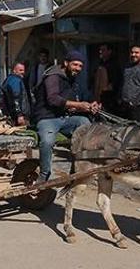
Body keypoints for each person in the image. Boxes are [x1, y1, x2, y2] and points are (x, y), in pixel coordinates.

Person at [32, 51, 99, 182]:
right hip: (46, 118)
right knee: (47, 142)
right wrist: (79, 105)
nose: (78, 68)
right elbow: (53, 99)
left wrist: (91, 104)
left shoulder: (72, 78)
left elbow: (77, 98)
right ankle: (44, 174)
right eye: (75, 65)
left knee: (85, 123)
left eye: (80, 66)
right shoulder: (53, 76)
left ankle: (78, 167)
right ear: (66, 63)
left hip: (64, 117)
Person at [117, 44, 140, 122]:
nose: (133, 55)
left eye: (136, 52)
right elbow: (123, 83)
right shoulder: (127, 67)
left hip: (137, 108)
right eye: (132, 52)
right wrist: (120, 98)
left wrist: (135, 103)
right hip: (124, 105)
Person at [93, 43, 119, 113]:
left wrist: (107, 88)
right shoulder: (99, 64)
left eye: (103, 50)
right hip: (98, 96)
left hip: (109, 98)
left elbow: (116, 81)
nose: (100, 52)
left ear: (109, 51)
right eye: (100, 50)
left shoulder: (114, 65)